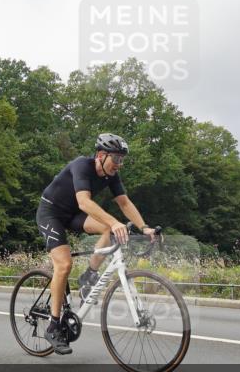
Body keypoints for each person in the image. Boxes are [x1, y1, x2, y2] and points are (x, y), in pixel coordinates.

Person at [36, 133, 155, 354]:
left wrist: (144, 227)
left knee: (109, 228)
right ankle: (53, 326)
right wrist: (115, 221)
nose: (119, 164)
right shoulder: (82, 165)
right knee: (64, 265)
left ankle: (89, 274)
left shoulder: (111, 175)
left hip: (73, 214)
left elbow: (124, 202)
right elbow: (84, 201)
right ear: (101, 155)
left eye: (122, 159)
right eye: (116, 158)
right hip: (51, 213)